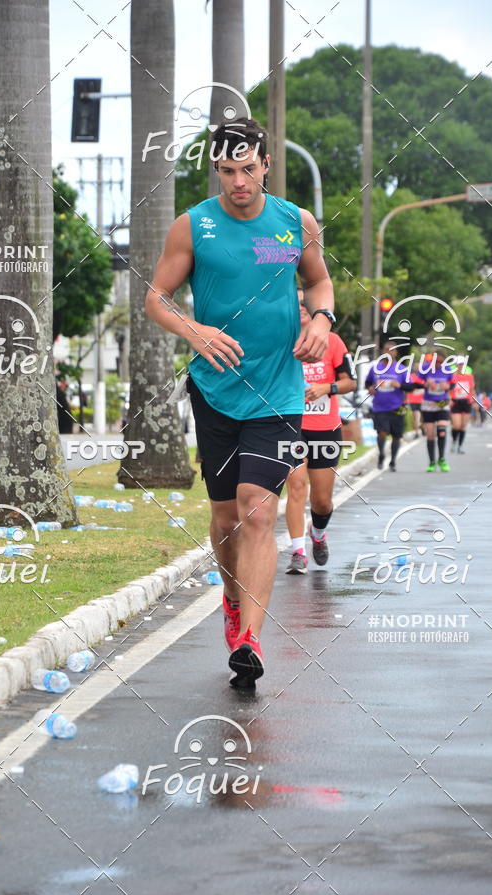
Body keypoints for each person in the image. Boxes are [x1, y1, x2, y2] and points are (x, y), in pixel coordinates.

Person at [144, 117, 335, 687]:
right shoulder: (193, 226)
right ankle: (232, 599)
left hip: (279, 390)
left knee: (258, 505)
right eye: (227, 172)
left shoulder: (293, 223)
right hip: (215, 390)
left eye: (247, 169)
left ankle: (249, 639)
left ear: (266, 164)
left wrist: (321, 319)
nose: (238, 182)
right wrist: (193, 330)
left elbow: (320, 283)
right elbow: (157, 299)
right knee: (226, 515)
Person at [285, 291, 356, 574]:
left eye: (307, 304)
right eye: (296, 303)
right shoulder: (282, 341)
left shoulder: (333, 341)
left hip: (325, 428)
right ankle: (297, 552)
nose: (302, 308)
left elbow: (350, 382)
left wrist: (326, 388)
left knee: (322, 501)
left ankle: (317, 534)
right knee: (297, 486)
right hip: (291, 426)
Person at [364, 341, 411, 472]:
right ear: (382, 351)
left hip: (397, 407)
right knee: (382, 433)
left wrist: (399, 385)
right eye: (386, 349)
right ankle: (381, 455)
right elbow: (367, 383)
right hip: (379, 407)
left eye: (392, 350)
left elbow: (410, 387)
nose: (389, 352)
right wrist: (370, 388)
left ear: (396, 353)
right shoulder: (375, 368)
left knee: (396, 436)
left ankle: (393, 461)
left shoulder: (402, 369)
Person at [415, 351, 454, 472]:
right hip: (428, 404)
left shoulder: (447, 369)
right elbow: (416, 383)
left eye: (440, 362)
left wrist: (447, 386)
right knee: (430, 434)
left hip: (442, 403)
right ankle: (432, 462)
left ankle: (441, 459)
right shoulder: (425, 368)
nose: (438, 364)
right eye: (435, 362)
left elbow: (453, 384)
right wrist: (425, 384)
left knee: (442, 431)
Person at [450, 360, 475, 454]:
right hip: (455, 402)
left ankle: (460, 446)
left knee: (463, 426)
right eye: (459, 364)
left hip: (466, 402)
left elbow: (472, 390)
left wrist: (473, 400)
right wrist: (449, 400)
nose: (460, 366)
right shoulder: (452, 376)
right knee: (456, 425)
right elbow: (448, 389)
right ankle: (454, 442)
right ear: (456, 365)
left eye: (462, 364)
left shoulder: (469, 377)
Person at [406, 367, 424, 438]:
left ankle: (421, 427)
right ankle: (417, 432)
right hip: (412, 400)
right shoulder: (410, 377)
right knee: (415, 416)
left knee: (421, 417)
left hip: (421, 400)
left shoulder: (422, 377)